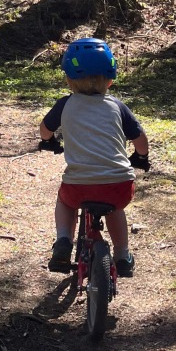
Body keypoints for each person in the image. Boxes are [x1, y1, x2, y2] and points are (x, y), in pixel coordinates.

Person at [38, 38, 149, 277]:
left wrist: (49, 141)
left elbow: (45, 130)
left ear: (68, 79)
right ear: (110, 80)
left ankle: (63, 241)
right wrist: (141, 157)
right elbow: (140, 139)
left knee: (65, 201)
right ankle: (122, 255)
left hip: (78, 187)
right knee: (115, 209)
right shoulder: (117, 106)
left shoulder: (65, 104)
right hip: (119, 187)